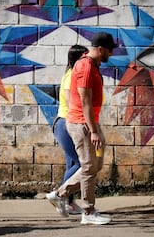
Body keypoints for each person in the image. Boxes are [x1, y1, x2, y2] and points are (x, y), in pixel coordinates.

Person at [46, 32, 117, 225]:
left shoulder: (92, 65)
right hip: (81, 124)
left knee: (95, 165)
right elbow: (84, 101)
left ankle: (60, 194)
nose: (111, 54)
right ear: (100, 49)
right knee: (87, 166)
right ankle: (88, 211)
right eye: (110, 50)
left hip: (90, 122)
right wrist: (93, 131)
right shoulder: (85, 67)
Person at [52, 44, 88, 215]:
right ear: (78, 58)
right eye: (85, 57)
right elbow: (70, 100)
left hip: (66, 124)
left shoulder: (74, 74)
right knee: (83, 164)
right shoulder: (71, 76)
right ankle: (59, 195)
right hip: (67, 124)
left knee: (72, 164)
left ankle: (69, 204)